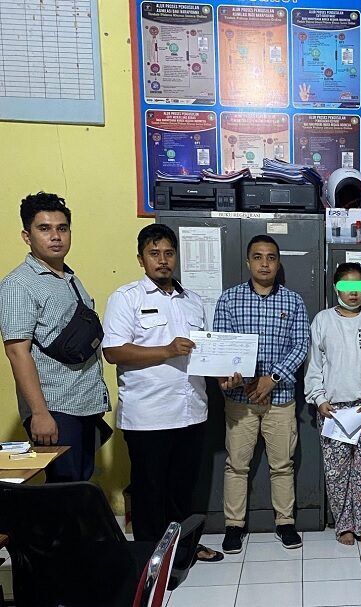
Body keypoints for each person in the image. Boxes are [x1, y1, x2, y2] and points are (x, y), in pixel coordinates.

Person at [102, 224, 222, 562]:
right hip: (148, 416)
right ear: (141, 259)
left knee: (183, 489)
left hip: (191, 411)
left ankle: (184, 549)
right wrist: (166, 351)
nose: (163, 260)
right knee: (149, 492)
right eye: (154, 253)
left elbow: (205, 353)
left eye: (169, 253)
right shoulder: (127, 298)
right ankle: (151, 559)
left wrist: (227, 372)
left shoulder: (192, 301)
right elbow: (113, 351)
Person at [0, 192, 110, 482]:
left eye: (62, 228)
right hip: (54, 408)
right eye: (44, 228)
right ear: (27, 236)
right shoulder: (19, 284)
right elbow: (17, 352)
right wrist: (39, 413)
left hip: (84, 405)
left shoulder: (70, 279)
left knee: (79, 487)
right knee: (64, 492)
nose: (55, 236)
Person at [214, 235, 309, 553]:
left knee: (282, 465)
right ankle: (233, 525)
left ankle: (285, 522)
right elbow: (223, 347)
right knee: (236, 465)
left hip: (280, 399)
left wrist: (272, 379)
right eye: (258, 257)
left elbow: (300, 346)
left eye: (271, 257)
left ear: (278, 263)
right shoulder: (229, 299)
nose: (264, 263)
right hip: (240, 401)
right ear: (248, 262)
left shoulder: (293, 301)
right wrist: (242, 381)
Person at [304, 262, 361, 548]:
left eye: (359, 287)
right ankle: (344, 525)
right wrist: (319, 399)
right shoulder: (322, 320)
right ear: (336, 288)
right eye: (347, 287)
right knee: (337, 472)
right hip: (334, 411)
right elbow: (314, 365)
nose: (353, 293)